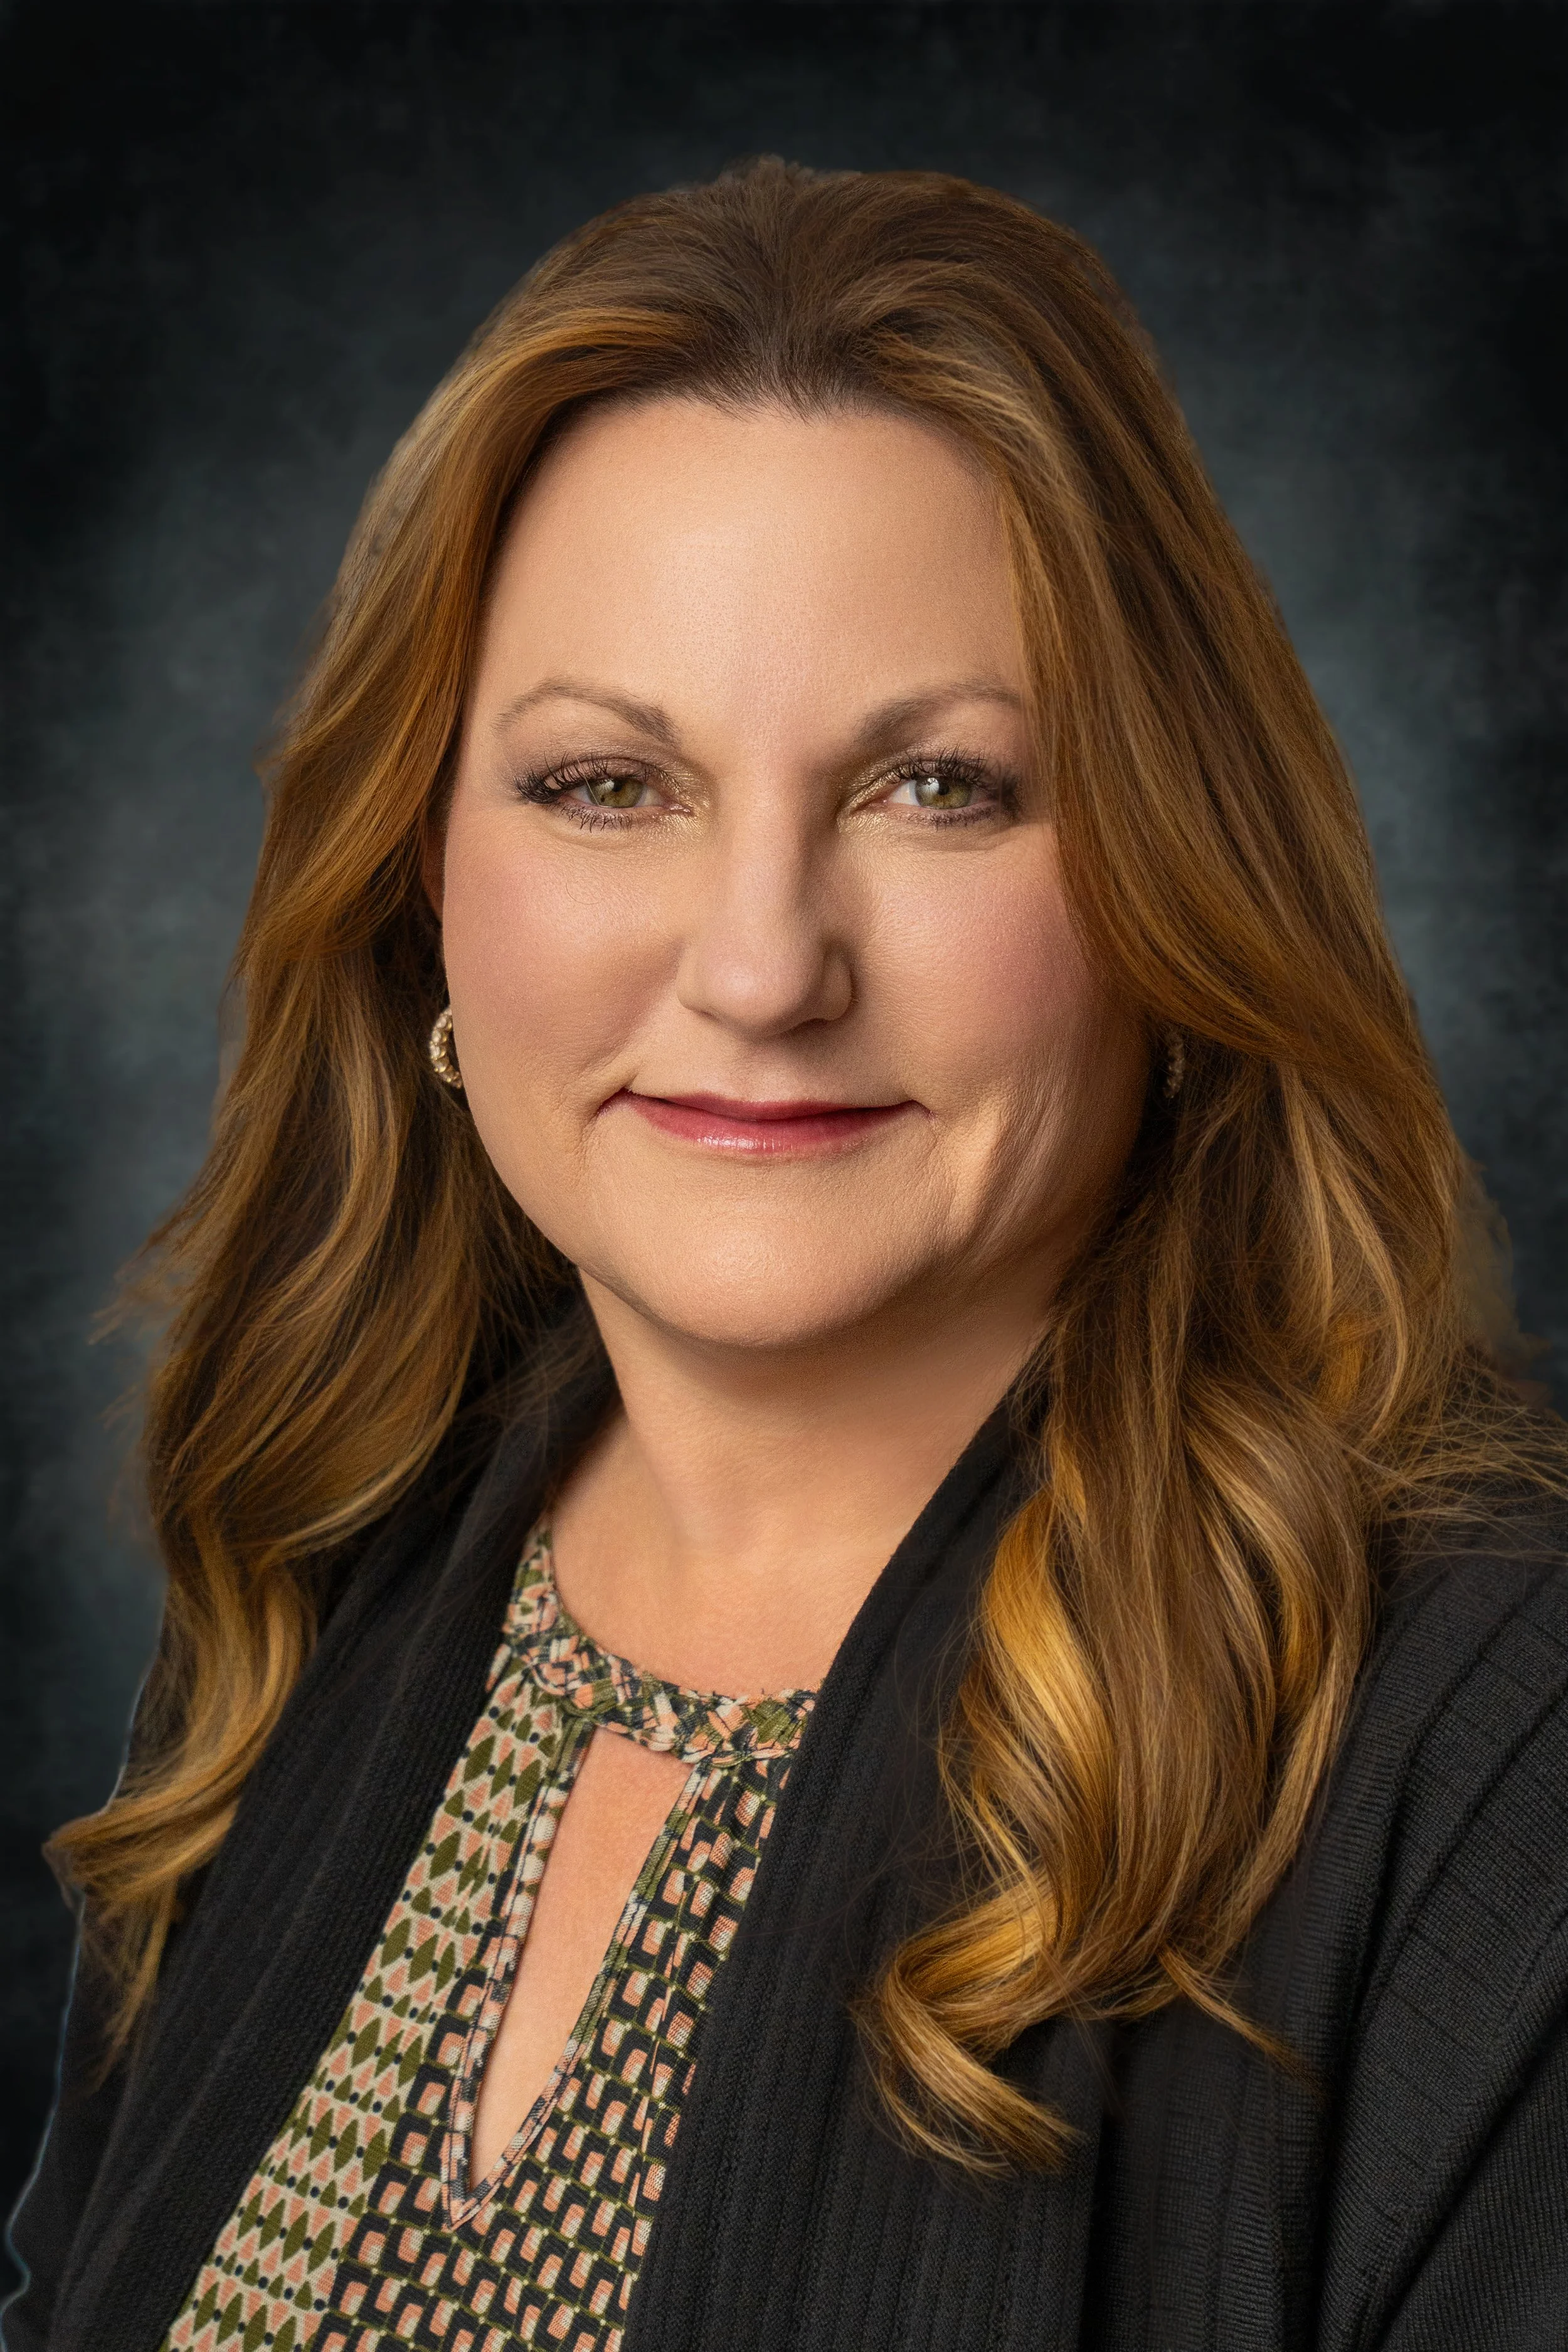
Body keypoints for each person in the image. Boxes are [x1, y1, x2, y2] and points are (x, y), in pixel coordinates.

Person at [7, 157, 1567, 2352]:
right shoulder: (316, 1579)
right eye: (603, 785)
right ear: (417, 882)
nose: (760, 966)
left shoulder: (1496, 1752)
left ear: (1170, 884)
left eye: (935, 787)